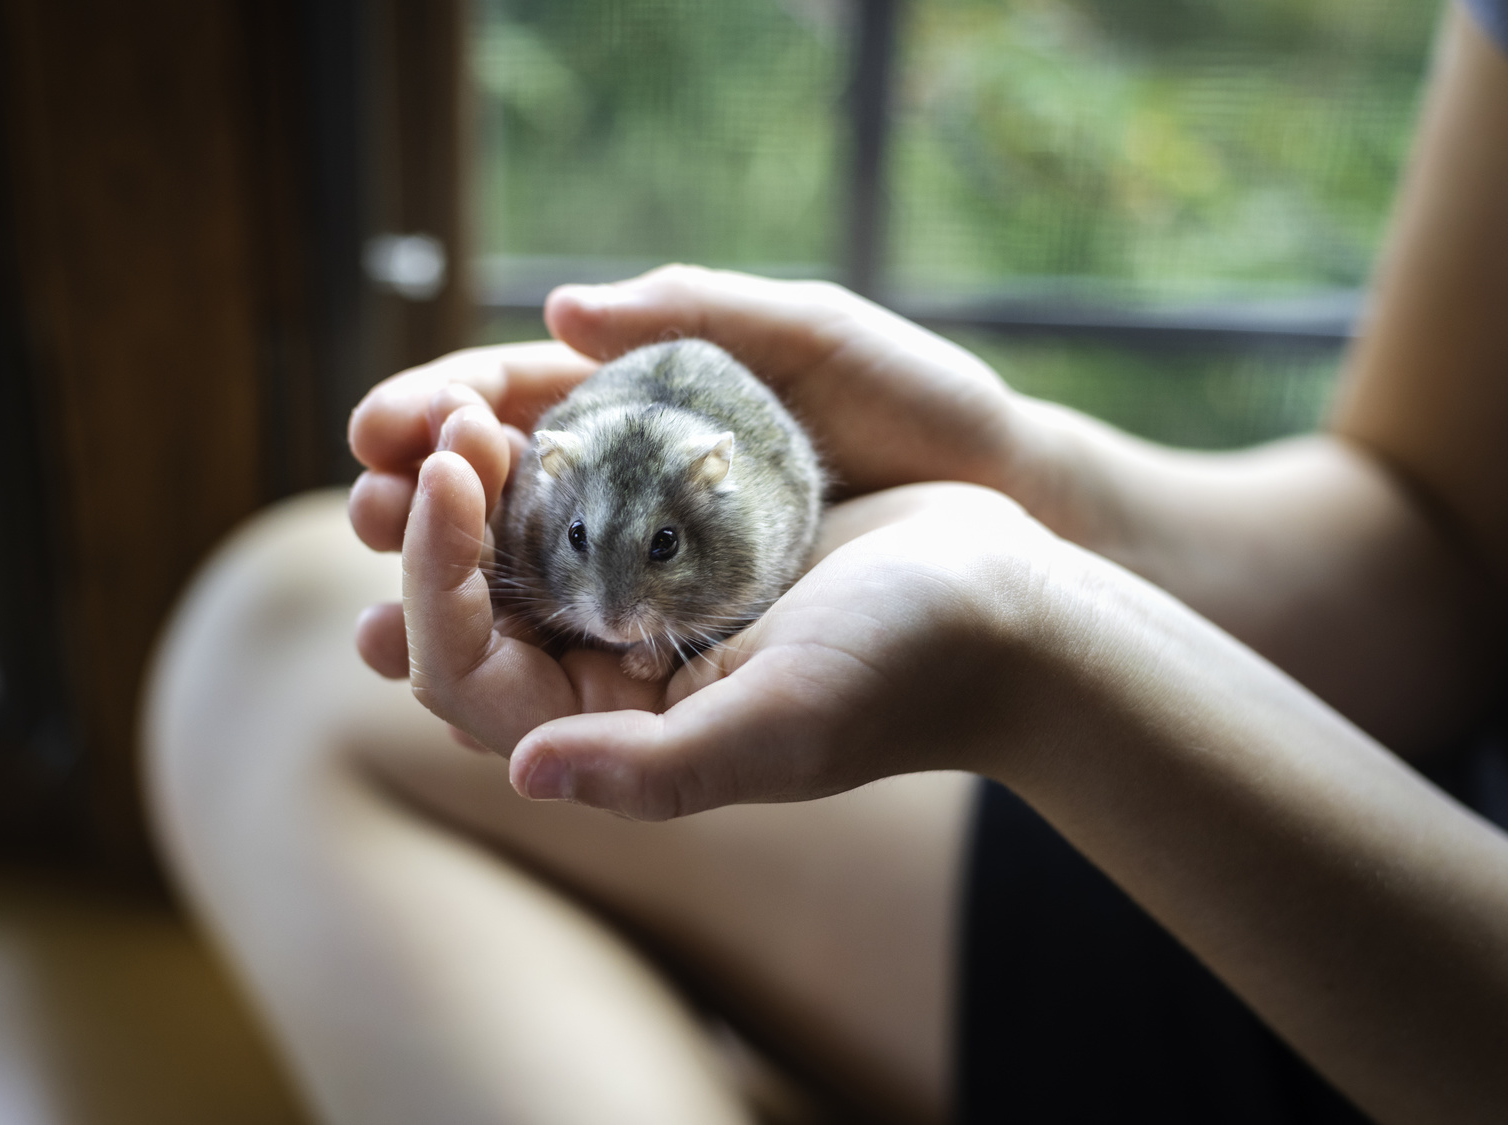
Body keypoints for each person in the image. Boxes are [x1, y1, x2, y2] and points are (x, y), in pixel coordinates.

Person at [144, 4, 1508, 1122]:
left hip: (1419, 1015)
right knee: (268, 635)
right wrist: (1032, 485)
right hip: (1375, 766)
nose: (614, 605)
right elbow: (1440, 532)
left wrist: (1047, 659)